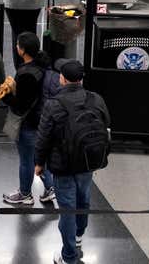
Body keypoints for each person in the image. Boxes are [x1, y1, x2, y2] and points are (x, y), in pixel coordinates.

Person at [35, 59, 110, 264]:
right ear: (81, 79)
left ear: (62, 79)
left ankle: (68, 256)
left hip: (63, 165)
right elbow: (106, 124)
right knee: (83, 200)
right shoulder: (96, 99)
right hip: (87, 161)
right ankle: (78, 238)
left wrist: (39, 163)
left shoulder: (53, 104)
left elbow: (43, 138)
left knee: (67, 208)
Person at [0, 32, 55, 205]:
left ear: (23, 51)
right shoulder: (43, 65)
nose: (16, 46)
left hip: (28, 123)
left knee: (26, 160)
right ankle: (50, 188)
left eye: (18, 45)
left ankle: (25, 194)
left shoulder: (26, 74)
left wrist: (4, 95)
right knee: (39, 157)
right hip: (42, 119)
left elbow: (20, 104)